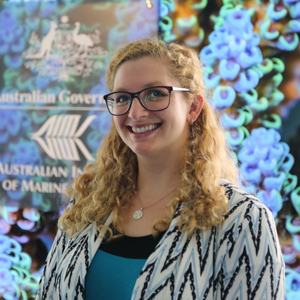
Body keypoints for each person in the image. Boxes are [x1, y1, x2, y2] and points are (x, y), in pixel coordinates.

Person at [36, 38, 285, 300]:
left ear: (193, 107)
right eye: (122, 98)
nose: (135, 112)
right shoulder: (85, 204)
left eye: (155, 93)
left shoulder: (243, 218)